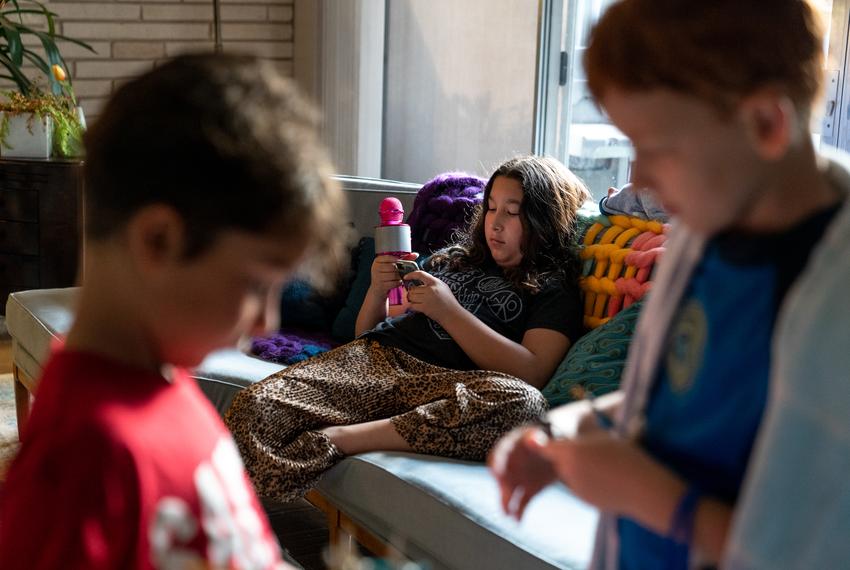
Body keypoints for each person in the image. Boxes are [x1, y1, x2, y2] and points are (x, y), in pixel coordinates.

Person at [489, 1, 850, 569]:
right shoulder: (702, 235)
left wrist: (652, 499)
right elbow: (670, 398)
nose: (640, 178)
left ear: (764, 124)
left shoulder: (833, 292)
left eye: (658, 146)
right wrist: (557, 434)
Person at [0, 53, 347, 569]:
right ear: (158, 241)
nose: (266, 322)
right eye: (256, 284)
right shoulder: (81, 470)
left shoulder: (166, 386)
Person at [225, 155, 590, 502]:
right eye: (491, 207)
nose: (495, 223)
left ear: (544, 222)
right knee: (249, 411)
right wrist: (377, 289)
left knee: (526, 404)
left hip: (446, 387)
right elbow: (365, 333)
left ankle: (343, 439)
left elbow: (533, 372)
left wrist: (449, 312)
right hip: (374, 362)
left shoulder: (554, 289)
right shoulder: (456, 260)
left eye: (512, 213)